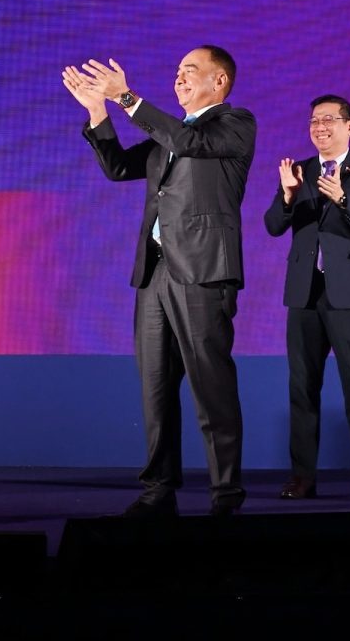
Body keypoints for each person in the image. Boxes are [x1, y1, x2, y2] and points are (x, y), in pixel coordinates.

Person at [63, 47, 255, 517]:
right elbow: (117, 168)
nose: (180, 79)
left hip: (203, 272)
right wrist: (96, 112)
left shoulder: (233, 124)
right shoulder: (170, 134)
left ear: (220, 82)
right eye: (176, 72)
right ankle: (157, 490)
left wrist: (126, 97)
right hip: (154, 273)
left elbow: (189, 143)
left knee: (211, 387)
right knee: (155, 388)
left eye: (190, 72)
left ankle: (226, 494)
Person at [264, 95, 350, 502]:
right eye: (314, 120)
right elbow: (272, 226)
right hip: (304, 294)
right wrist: (286, 197)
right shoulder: (298, 171)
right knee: (302, 390)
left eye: (330, 120)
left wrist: (342, 198)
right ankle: (302, 477)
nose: (320, 127)